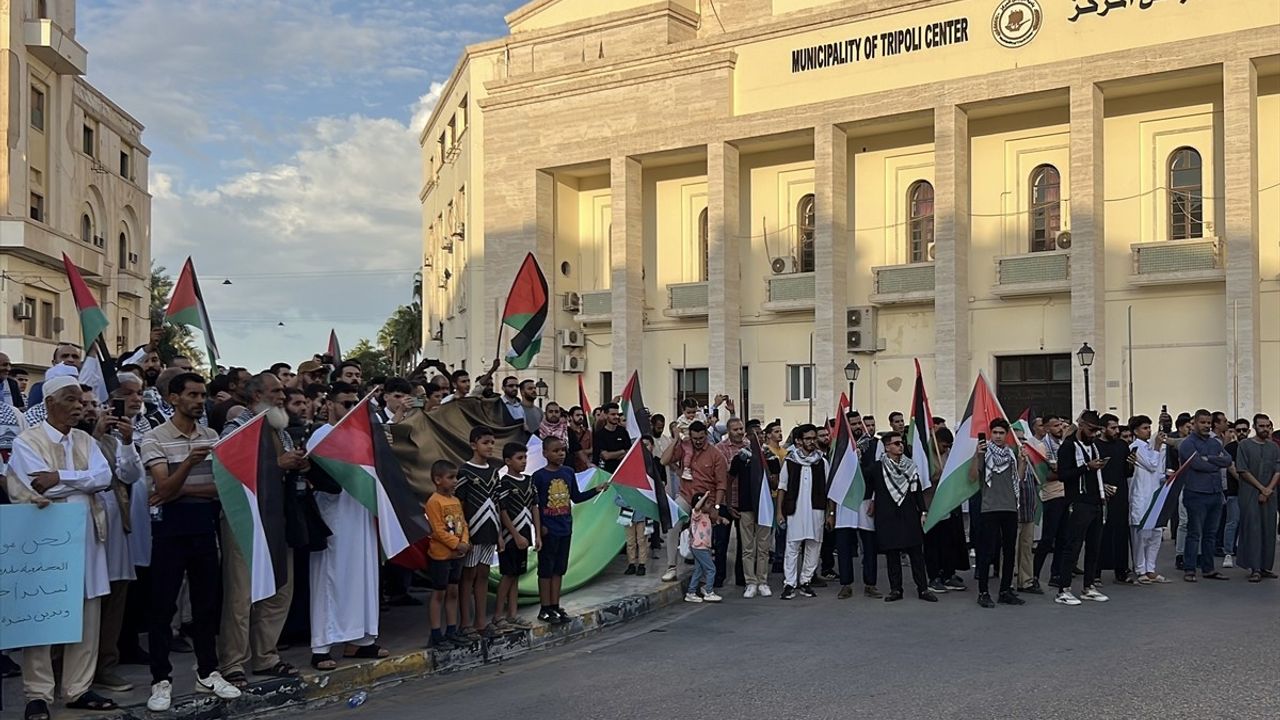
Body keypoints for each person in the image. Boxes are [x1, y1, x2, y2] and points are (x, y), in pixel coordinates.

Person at [6, 375, 117, 718]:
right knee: (45, 614)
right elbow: (38, 487)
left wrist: (63, 478)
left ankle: (78, 688)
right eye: (71, 400)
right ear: (50, 403)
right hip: (48, 542)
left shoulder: (85, 439)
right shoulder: (28, 441)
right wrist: (76, 483)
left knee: (87, 613)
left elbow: (105, 477)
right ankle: (37, 694)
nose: (79, 407)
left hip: (88, 538)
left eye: (81, 401)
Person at [139, 373, 242, 711]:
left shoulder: (211, 435)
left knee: (206, 604)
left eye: (202, 395)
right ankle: (160, 679)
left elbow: (220, 490)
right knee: (163, 605)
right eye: (193, 395)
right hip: (169, 530)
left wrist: (177, 487)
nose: (200, 401)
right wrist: (188, 465)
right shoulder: (154, 438)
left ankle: (208, 672)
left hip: (202, 525)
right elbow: (161, 488)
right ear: (173, 398)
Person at [218, 372, 302, 686]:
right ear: (256, 396)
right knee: (241, 594)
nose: (283, 396)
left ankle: (266, 656)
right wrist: (278, 465)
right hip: (244, 518)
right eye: (276, 390)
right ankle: (233, 663)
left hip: (277, 517)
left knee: (280, 589)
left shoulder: (282, 429)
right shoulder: (238, 426)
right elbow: (227, 466)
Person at [306, 383, 388, 671]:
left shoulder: (360, 435)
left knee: (363, 576)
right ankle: (322, 645)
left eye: (355, 404)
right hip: (334, 516)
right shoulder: (321, 436)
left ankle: (361, 640)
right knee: (330, 578)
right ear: (329, 404)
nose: (350, 409)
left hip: (361, 514)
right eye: (345, 403)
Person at [86, 384, 144, 694]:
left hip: (115, 525)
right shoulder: (75, 442)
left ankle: (106, 665)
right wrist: (94, 435)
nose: (90, 409)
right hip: (82, 530)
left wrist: (125, 440)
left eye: (94, 404)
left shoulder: (113, 441)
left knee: (115, 595)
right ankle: (73, 670)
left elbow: (130, 474)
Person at [533, 436, 606, 623]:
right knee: (546, 570)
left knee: (559, 569)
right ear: (545, 453)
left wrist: (596, 490)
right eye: (555, 451)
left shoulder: (568, 472)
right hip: (548, 529)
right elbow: (534, 505)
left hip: (565, 527)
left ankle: (555, 605)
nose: (560, 454)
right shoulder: (539, 476)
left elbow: (576, 497)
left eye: (563, 450)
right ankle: (545, 607)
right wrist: (539, 527)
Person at [870, 431, 937, 603]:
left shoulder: (910, 466)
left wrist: (923, 511)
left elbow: (917, 492)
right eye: (896, 443)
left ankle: (923, 588)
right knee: (892, 555)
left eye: (901, 443)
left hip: (908, 515)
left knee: (916, 553)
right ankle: (896, 589)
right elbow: (866, 484)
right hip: (887, 516)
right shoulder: (878, 467)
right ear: (887, 447)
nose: (900, 446)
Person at [659, 420, 728, 583]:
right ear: (690, 435)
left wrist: (716, 506)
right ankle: (671, 567)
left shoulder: (716, 455)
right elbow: (664, 461)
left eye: (701, 438)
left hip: (706, 501)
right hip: (685, 496)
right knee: (673, 522)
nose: (698, 441)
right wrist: (676, 440)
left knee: (703, 538)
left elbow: (721, 484)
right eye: (695, 438)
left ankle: (704, 572)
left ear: (706, 436)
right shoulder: (684, 448)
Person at [1053, 411, 1111, 606]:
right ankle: (1064, 589)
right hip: (1078, 502)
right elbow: (1063, 475)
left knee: (1094, 546)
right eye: (1091, 429)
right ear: (1081, 425)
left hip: (1096, 501)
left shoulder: (1093, 446)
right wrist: (1087, 467)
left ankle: (1088, 586)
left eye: (1096, 431)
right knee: (1073, 546)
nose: (1093, 434)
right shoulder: (1068, 447)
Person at [969, 419, 1026, 608]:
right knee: (987, 551)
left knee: (1009, 551)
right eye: (995, 433)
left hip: (1009, 507)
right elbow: (973, 477)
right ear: (990, 433)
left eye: (1002, 433)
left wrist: (1022, 460)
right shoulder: (984, 453)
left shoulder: (1010, 453)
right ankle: (983, 591)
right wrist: (977, 456)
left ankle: (1005, 590)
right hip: (990, 507)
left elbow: (1018, 479)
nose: (999, 436)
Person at [456, 426, 503, 639]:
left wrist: (500, 534)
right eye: (486, 443)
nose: (490, 447)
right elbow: (460, 505)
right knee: (468, 576)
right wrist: (463, 534)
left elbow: (497, 503)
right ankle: (466, 622)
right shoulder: (464, 472)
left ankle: (481, 621)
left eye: (492, 443)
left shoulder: (494, 473)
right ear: (474, 445)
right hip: (472, 532)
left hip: (490, 530)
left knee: (483, 574)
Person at [1178, 409, 1233, 582]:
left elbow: (1228, 460)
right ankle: (1190, 569)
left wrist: (1208, 459)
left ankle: (1209, 569)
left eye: (1209, 423)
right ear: (1194, 423)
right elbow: (1196, 464)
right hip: (1196, 494)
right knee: (1194, 533)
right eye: (1203, 422)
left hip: (1215, 493)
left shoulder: (1215, 443)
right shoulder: (1187, 444)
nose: (1206, 426)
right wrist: (1213, 463)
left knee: (1211, 533)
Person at [777, 424, 828, 599]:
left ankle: (805, 581)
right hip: (795, 510)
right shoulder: (791, 462)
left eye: (814, 438)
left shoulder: (822, 462)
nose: (812, 442)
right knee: (792, 546)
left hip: (816, 510)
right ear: (799, 441)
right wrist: (779, 512)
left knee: (814, 545)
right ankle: (790, 583)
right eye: (808, 438)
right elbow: (782, 488)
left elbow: (829, 491)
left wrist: (831, 514)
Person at [426, 460, 470, 649]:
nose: (454, 481)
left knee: (453, 591)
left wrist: (465, 542)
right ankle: (436, 633)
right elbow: (437, 530)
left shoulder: (455, 500)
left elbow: (463, 523)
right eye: (450, 478)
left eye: (456, 478)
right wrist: (456, 544)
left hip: (457, 556)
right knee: (439, 593)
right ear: (437, 480)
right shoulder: (434, 502)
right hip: (441, 556)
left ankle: (452, 629)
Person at [495, 442, 539, 629]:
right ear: (507, 461)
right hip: (510, 537)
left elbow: (534, 507)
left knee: (516, 575)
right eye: (519, 458)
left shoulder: (529, 481)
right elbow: (502, 511)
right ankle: (498, 615)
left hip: (525, 534)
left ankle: (512, 614)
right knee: (508, 575)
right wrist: (514, 534)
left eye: (525, 457)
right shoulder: (504, 483)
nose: (523, 461)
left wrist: (537, 534)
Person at [1234, 414, 1279, 582]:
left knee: (1268, 529)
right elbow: (1243, 470)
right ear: (1254, 426)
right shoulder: (1245, 445)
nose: (1265, 429)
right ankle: (1254, 568)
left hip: (1270, 494)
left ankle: (1265, 567)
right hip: (1250, 493)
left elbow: (1278, 469)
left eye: (1267, 426)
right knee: (1253, 529)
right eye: (1261, 426)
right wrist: (1261, 488)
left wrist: (1268, 489)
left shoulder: (1274, 447)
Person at [923, 426, 968, 594]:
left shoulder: (948, 455)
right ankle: (933, 577)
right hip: (930, 506)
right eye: (943, 445)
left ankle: (948, 574)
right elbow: (925, 478)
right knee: (932, 544)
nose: (945, 449)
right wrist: (941, 475)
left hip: (947, 505)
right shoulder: (925, 456)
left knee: (948, 542)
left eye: (948, 446)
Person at [733, 428, 777, 598]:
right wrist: (731, 504)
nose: (758, 437)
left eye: (760, 434)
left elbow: (776, 482)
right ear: (748, 438)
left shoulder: (770, 457)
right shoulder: (741, 457)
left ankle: (762, 581)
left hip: (764, 508)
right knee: (747, 548)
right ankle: (750, 582)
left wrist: (771, 476)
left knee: (763, 548)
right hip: (746, 507)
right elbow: (731, 479)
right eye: (754, 435)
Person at [1128, 415, 1170, 584]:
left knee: (1156, 533)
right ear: (1136, 431)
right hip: (1141, 495)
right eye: (1145, 428)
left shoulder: (1152, 447)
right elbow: (1151, 464)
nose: (1148, 431)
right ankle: (1140, 568)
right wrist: (1158, 447)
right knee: (1141, 534)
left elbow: (1158, 470)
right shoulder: (1135, 447)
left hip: (1154, 493)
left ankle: (1151, 568)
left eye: (1149, 427)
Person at [713, 418, 750, 588]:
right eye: (735, 429)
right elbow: (721, 477)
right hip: (725, 502)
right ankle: (719, 577)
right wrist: (725, 504)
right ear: (728, 431)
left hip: (744, 502)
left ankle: (742, 578)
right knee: (721, 542)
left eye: (741, 428)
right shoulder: (719, 449)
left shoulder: (749, 447)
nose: (740, 432)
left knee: (745, 543)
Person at [1095, 414, 1132, 584]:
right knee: (1100, 534)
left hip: (1121, 493)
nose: (1117, 431)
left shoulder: (1122, 445)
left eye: (1117, 427)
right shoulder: (1095, 446)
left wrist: (1131, 463)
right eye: (1113, 428)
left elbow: (1127, 471)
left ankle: (1121, 570)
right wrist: (1103, 486)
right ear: (1103, 429)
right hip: (1101, 494)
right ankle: (1096, 572)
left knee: (1121, 532)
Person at [684, 492, 722, 603]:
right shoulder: (697, 514)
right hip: (699, 547)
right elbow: (696, 507)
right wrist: (704, 496)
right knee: (711, 569)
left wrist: (721, 520)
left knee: (699, 570)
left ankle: (691, 592)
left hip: (704, 547)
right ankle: (709, 591)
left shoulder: (706, 516)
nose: (710, 505)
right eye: (707, 503)